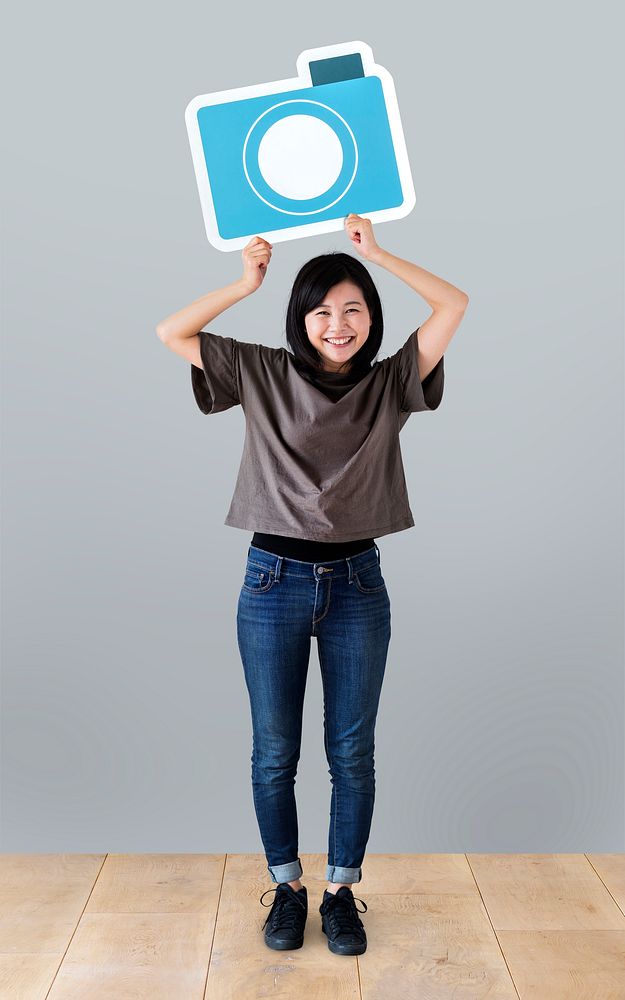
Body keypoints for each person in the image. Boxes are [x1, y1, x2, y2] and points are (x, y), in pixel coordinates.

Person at [156, 214, 469, 955]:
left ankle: (340, 894)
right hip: (272, 583)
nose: (338, 324)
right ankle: (287, 889)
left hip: (359, 583)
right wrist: (243, 283)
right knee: (274, 752)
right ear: (301, 318)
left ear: (371, 318)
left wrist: (379, 254)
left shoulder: (393, 380)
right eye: (322, 309)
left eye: (353, 308)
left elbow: (453, 305)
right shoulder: (260, 370)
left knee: (351, 751)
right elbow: (171, 332)